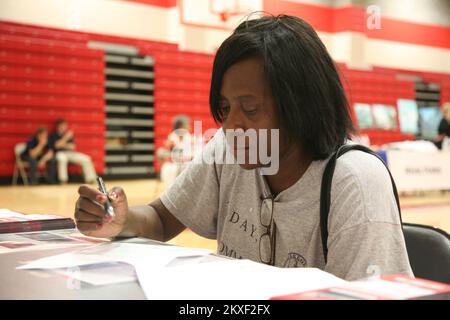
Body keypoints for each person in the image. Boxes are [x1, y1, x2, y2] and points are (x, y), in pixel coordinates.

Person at [74, 15, 413, 281]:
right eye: (224, 108)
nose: (230, 125)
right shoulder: (228, 151)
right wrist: (120, 221)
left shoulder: (354, 181)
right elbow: (161, 221)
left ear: (300, 105)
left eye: (249, 109)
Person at [49, 119, 96, 184]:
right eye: (62, 125)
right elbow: (56, 146)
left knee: (86, 158)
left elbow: (72, 147)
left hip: (70, 153)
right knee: (62, 159)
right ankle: (63, 180)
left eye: (64, 125)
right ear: (58, 126)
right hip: (59, 153)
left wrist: (62, 144)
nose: (63, 127)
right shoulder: (53, 135)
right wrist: (66, 138)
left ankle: (90, 179)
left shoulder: (68, 135)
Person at [156, 115, 194, 184]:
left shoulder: (188, 136)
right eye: (187, 125)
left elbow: (191, 153)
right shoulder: (172, 136)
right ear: (181, 126)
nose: (189, 126)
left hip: (186, 163)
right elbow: (167, 152)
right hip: (175, 164)